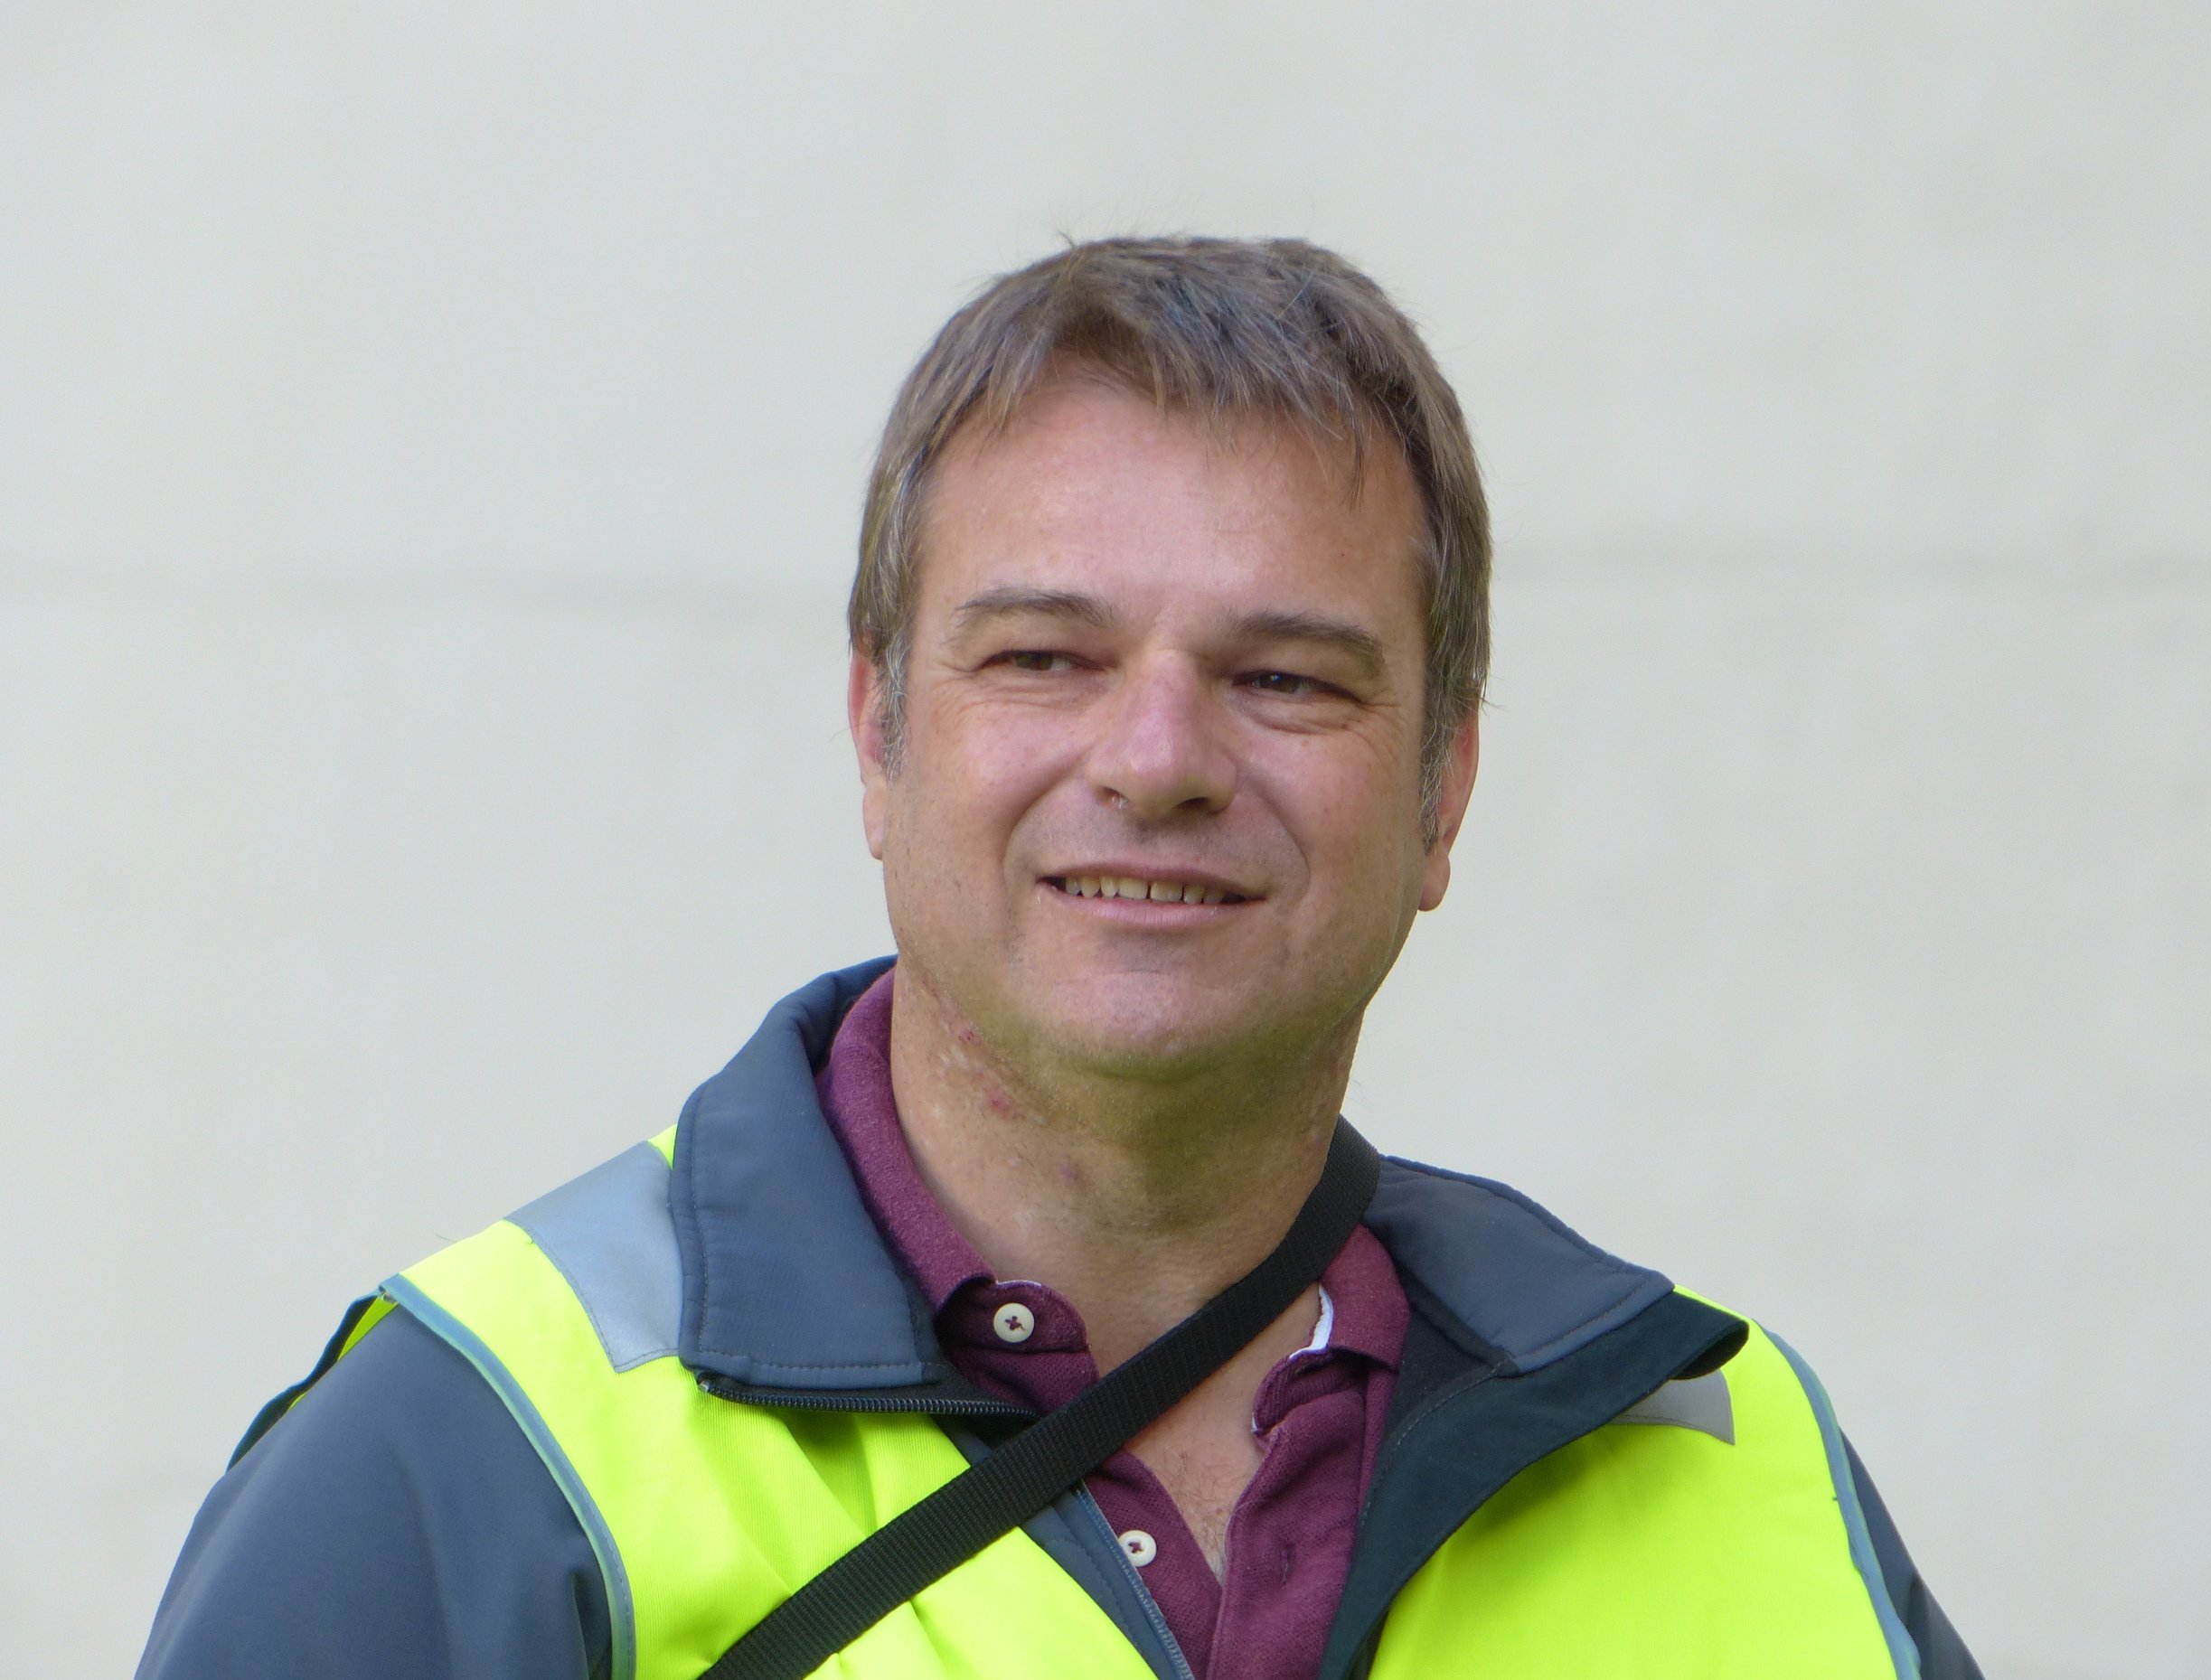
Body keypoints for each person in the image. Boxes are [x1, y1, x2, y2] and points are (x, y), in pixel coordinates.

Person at [137, 236, 1980, 1680]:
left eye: (1284, 676)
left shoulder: (1715, 1448)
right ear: (876, 734)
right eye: (1040, 656)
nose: (1158, 758)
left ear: (1441, 792)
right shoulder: (479, 1458)